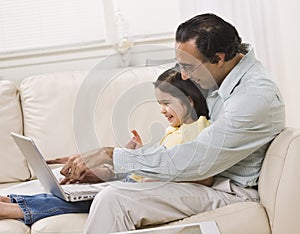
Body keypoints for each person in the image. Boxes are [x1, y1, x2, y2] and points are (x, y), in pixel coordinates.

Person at [53, 13, 284, 234]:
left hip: (231, 191)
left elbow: (196, 159)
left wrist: (112, 154)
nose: (183, 76)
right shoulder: (221, 77)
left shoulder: (253, 97)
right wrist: (110, 172)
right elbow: (182, 147)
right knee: (110, 190)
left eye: (189, 67)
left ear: (219, 58)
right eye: (180, 65)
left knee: (115, 200)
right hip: (205, 180)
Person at [0, 67, 213, 224]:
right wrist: (137, 154)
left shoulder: (199, 127)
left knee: (80, 202)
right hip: (133, 181)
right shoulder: (172, 130)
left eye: (166, 103)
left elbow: (194, 167)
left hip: (141, 189)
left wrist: (151, 175)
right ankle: (13, 199)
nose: (162, 111)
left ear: (189, 100)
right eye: (159, 104)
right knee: (73, 192)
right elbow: (161, 159)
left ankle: (14, 210)